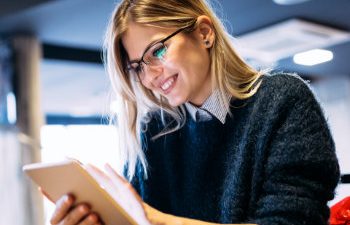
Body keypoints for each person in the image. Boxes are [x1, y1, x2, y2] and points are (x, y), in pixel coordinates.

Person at [48, 0, 340, 225]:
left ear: (204, 33)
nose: (149, 77)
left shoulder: (282, 102)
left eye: (158, 51)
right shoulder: (154, 132)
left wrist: (157, 220)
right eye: (137, 66)